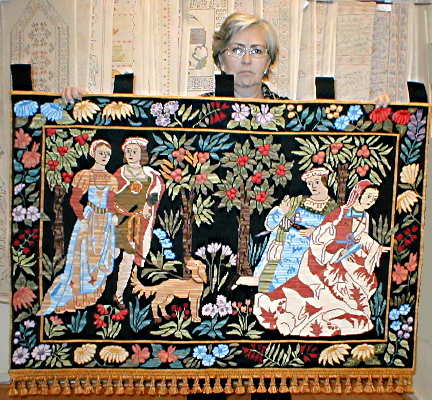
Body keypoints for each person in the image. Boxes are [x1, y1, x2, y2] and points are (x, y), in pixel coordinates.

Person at [62, 12, 390, 105]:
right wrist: (81, 106)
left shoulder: (292, 115)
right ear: (220, 60)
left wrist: (377, 115)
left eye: (256, 51)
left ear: (269, 61)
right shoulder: (194, 113)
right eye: (236, 49)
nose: (247, 60)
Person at [253, 179, 390, 337]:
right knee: (319, 290)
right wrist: (335, 248)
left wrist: (376, 247)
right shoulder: (341, 212)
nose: (371, 201)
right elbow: (321, 234)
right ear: (358, 195)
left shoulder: (365, 217)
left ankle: (343, 313)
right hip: (324, 257)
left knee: (365, 281)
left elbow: (363, 238)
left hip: (346, 258)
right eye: (368, 196)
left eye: (374, 198)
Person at [39, 140, 118, 315]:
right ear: (93, 154)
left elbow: (111, 203)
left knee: (101, 259)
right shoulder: (85, 175)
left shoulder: (112, 179)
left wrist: (113, 216)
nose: (104, 157)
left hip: (105, 222)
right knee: (83, 259)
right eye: (101, 153)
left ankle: (91, 297)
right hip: (89, 220)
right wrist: (82, 218)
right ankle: (74, 296)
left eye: (107, 154)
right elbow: (74, 201)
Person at [234, 167, 338, 292]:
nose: (313, 186)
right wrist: (281, 211)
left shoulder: (334, 209)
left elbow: (335, 232)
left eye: (316, 182)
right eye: (310, 183)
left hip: (309, 250)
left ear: (325, 182)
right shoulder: (297, 201)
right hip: (282, 244)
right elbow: (270, 224)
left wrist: (315, 232)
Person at [112, 137, 165, 309]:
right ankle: (98, 288)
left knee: (128, 258)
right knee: (110, 255)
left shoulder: (150, 174)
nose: (131, 154)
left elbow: (157, 190)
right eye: (128, 151)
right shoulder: (120, 172)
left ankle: (118, 294)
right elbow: (109, 194)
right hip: (117, 220)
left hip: (135, 223)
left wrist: (149, 204)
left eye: (135, 151)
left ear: (142, 154)